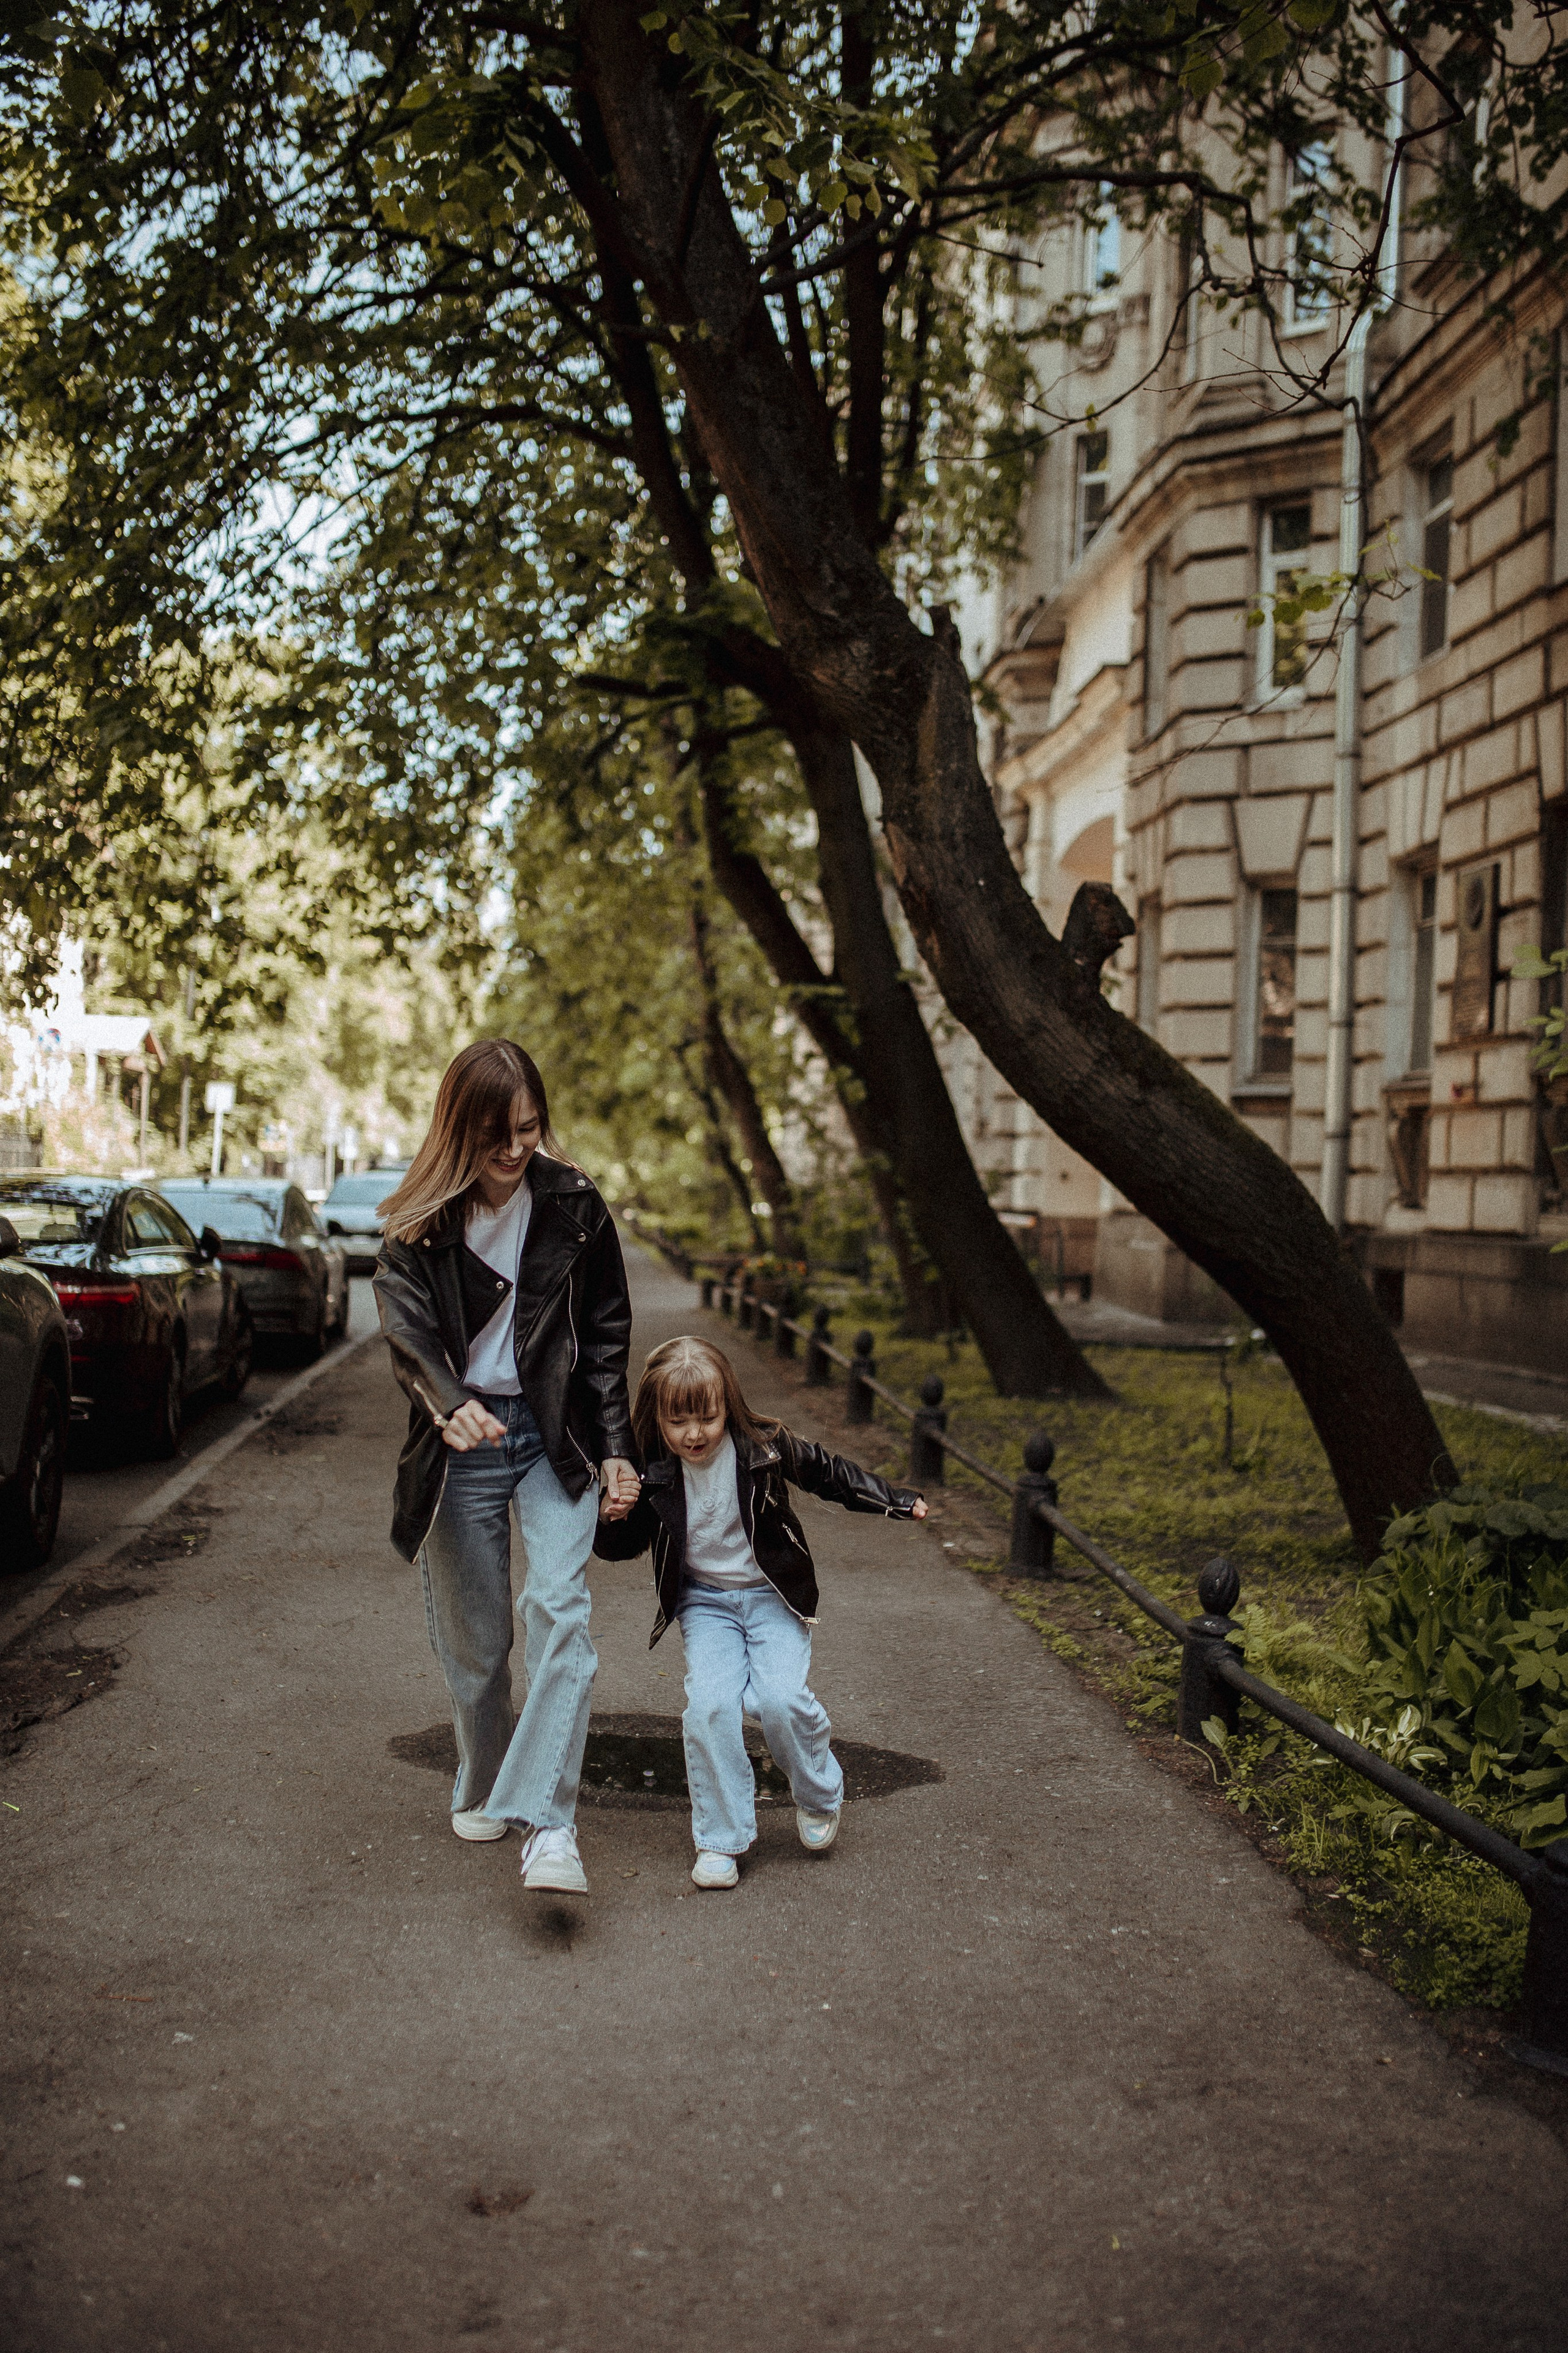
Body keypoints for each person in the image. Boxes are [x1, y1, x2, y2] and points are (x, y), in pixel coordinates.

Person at [373, 1038, 638, 1897]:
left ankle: (551, 1825)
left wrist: (617, 1447)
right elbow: (407, 1330)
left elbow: (604, 1338)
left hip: (553, 1435)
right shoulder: (419, 1227)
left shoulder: (574, 1203)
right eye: (497, 1132)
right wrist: (450, 1402)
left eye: (529, 1127)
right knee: (480, 1644)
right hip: (466, 1441)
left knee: (561, 1610)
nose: (517, 1147)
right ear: (460, 1129)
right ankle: (484, 1776)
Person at [595, 1334, 926, 1890]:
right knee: (710, 1707)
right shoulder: (650, 1467)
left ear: (729, 1406)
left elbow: (829, 1472)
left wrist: (891, 1498)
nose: (694, 1434)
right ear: (657, 1416)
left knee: (779, 1700)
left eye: (707, 1417)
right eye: (678, 1422)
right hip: (706, 1603)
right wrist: (614, 1513)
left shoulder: (765, 1447)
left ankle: (820, 1792)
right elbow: (619, 1548)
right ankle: (720, 1838)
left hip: (773, 1594)